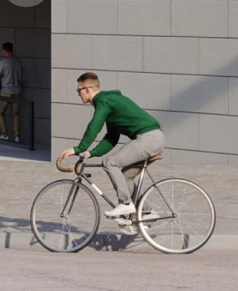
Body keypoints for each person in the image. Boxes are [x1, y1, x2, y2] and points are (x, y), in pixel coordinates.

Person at [57, 72, 164, 218]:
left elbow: (94, 126)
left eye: (78, 90)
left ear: (87, 89)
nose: (78, 94)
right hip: (152, 138)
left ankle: (125, 204)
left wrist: (79, 148)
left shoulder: (103, 101)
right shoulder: (110, 103)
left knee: (109, 162)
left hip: (148, 138)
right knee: (126, 177)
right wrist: (90, 153)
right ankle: (147, 212)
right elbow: (111, 138)